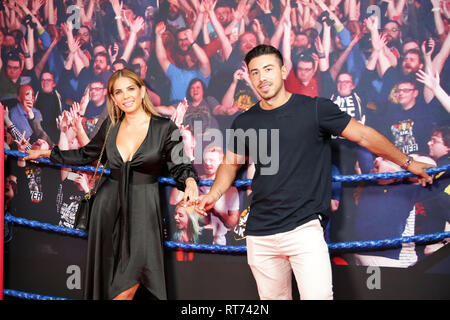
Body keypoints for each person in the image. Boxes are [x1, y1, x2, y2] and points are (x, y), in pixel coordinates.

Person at [195, 45, 435, 300]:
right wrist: (214, 193)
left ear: (283, 70)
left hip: (304, 230)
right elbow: (231, 164)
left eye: (268, 69)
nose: (262, 77)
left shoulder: (315, 108)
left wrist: (408, 163)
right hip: (260, 233)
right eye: (255, 72)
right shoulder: (245, 121)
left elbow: (364, 135)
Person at [23, 68, 200, 300]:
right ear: (113, 98)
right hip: (107, 209)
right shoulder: (111, 126)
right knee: (108, 282)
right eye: (118, 92)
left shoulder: (165, 128)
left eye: (130, 89)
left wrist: (189, 182)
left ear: (142, 91)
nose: (125, 96)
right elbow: (86, 154)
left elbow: (181, 164)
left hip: (144, 211)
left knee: (131, 282)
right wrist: (46, 153)